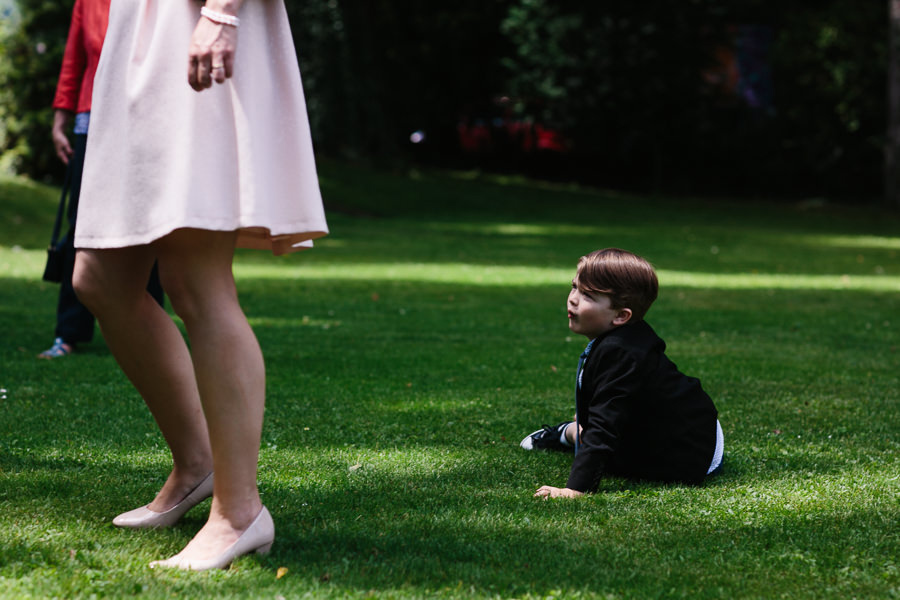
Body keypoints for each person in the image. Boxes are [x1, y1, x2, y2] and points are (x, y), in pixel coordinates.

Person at [71, 0, 328, 571]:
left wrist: (223, 13)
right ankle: (198, 464)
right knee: (101, 279)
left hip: (197, 22)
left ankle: (239, 513)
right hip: (143, 35)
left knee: (194, 279)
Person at [521, 248, 723, 498]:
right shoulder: (626, 337)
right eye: (574, 287)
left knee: (600, 438)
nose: (573, 298)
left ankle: (569, 433)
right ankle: (575, 429)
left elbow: (604, 428)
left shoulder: (621, 353)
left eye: (588, 295)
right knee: (600, 421)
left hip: (688, 452)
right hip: (696, 426)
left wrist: (576, 489)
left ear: (621, 316)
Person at [41, 0, 163, 359]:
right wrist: (62, 114)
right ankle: (68, 333)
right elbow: (73, 56)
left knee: (149, 221)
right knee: (81, 224)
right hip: (91, 117)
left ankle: (149, 326)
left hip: (145, 112)